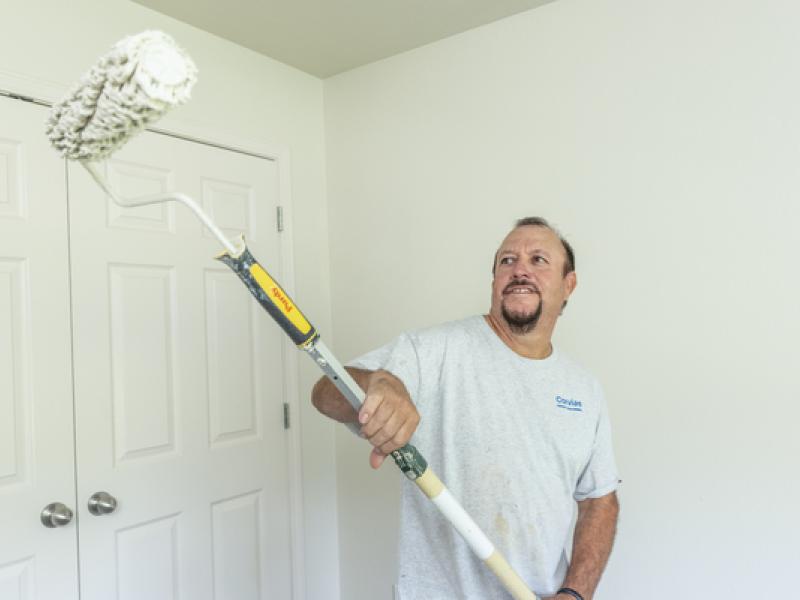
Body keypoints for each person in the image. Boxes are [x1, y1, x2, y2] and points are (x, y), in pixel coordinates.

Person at [312, 217, 619, 600]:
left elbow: (599, 500)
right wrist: (377, 384)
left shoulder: (583, 388)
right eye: (507, 261)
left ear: (567, 285)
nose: (520, 269)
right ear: (494, 281)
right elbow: (325, 391)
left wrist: (575, 593)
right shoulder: (434, 352)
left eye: (538, 259)